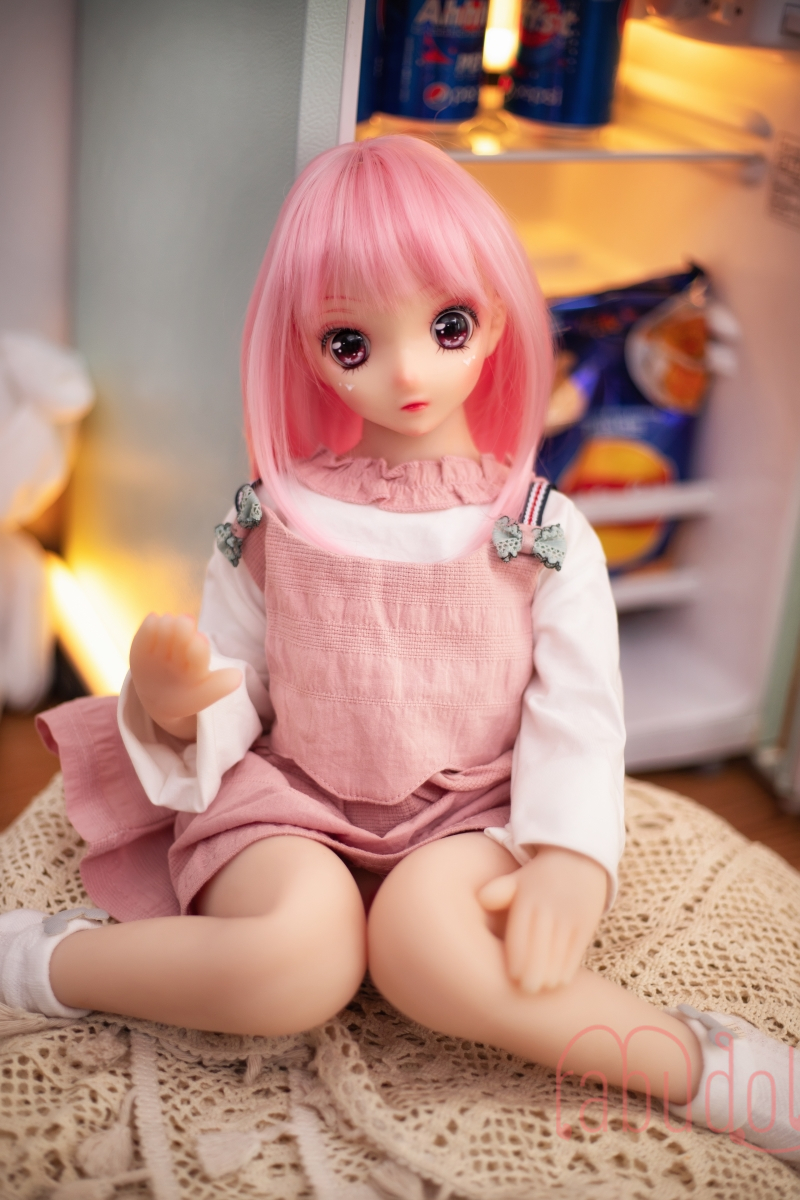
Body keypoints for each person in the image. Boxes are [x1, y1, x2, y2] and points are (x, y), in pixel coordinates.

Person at [4, 136, 798, 1161]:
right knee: (298, 962)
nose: (410, 370)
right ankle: (49, 963)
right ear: (306, 350)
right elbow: (243, 689)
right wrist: (175, 703)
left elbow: (577, 713)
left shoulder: (542, 532)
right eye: (352, 342)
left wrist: (569, 857)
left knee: (430, 951)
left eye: (446, 325)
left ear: (494, 321)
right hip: (290, 799)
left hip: (467, 811)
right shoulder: (277, 516)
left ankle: (700, 1065)